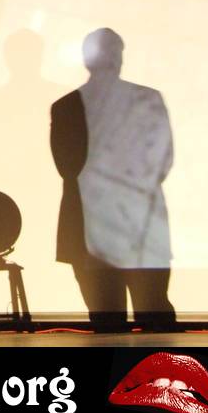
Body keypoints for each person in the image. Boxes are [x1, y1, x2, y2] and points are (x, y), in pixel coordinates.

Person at [51, 28, 176, 332]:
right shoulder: (148, 99)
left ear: (86, 60)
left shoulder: (65, 106)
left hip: (92, 228)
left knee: (107, 322)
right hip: (139, 225)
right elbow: (162, 161)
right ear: (119, 58)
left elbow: (67, 167)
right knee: (154, 318)